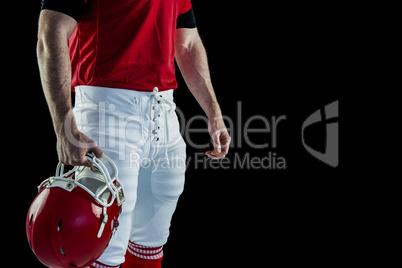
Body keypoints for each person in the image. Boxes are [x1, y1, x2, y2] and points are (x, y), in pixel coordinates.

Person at [37, 0, 231, 267]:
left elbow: (186, 43)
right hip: (106, 113)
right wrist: (64, 128)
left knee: (150, 244)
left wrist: (214, 114)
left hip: (165, 116)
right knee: (101, 247)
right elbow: (50, 33)